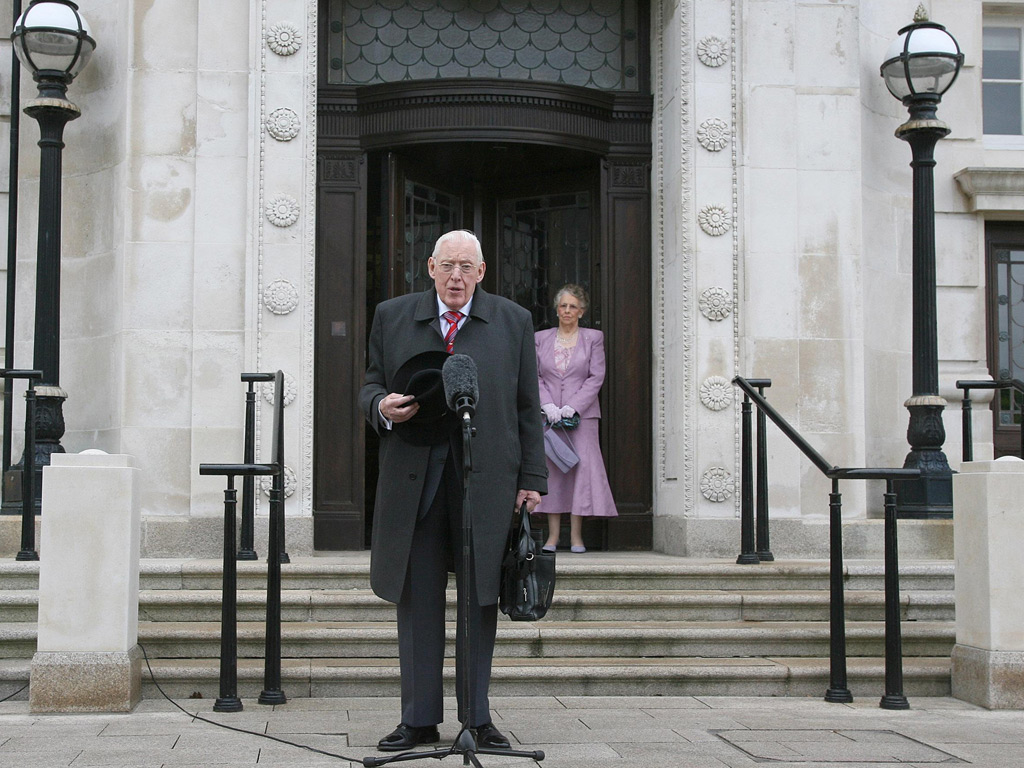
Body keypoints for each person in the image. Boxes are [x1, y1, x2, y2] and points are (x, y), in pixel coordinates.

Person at [359, 229, 547, 752]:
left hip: (484, 483)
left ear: (482, 272)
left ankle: (477, 719)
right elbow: (370, 383)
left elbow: (527, 405)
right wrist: (380, 406)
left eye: (467, 266)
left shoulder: (512, 321)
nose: (457, 276)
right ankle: (418, 719)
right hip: (414, 483)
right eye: (448, 266)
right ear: (430, 268)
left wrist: (532, 479)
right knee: (417, 600)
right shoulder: (393, 316)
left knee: (479, 599)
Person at [533, 284, 617, 553]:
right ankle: (553, 537)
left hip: (582, 418)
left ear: (581, 311)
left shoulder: (593, 338)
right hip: (549, 417)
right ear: (557, 310)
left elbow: (596, 376)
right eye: (562, 306)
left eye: (572, 306)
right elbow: (535, 375)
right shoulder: (541, 338)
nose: (567, 311)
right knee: (553, 473)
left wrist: (573, 406)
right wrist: (547, 404)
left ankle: (577, 536)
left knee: (581, 472)